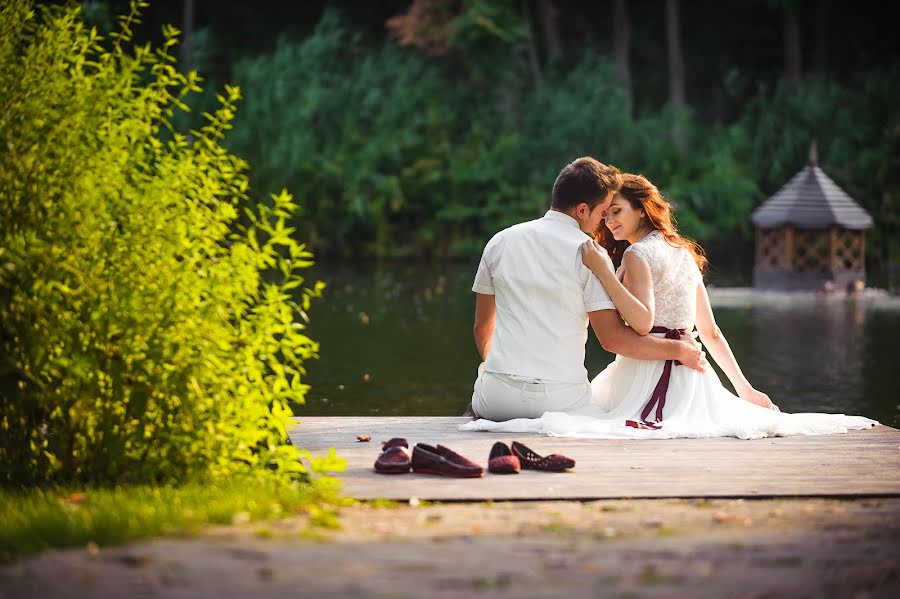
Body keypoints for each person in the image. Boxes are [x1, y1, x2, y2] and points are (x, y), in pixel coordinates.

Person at [462, 173, 878, 439]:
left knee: (605, 417)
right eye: (606, 214)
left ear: (642, 210)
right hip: (689, 374)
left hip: (644, 368)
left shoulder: (625, 256)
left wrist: (608, 274)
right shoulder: (680, 252)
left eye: (617, 212)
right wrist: (742, 387)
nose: (608, 223)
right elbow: (708, 332)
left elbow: (635, 328)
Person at [467, 158, 706, 422]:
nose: (604, 221)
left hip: (497, 400)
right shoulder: (590, 254)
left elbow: (482, 327)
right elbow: (612, 339)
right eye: (603, 212)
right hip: (562, 402)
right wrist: (678, 350)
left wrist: (504, 376)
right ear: (582, 210)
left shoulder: (499, 242)